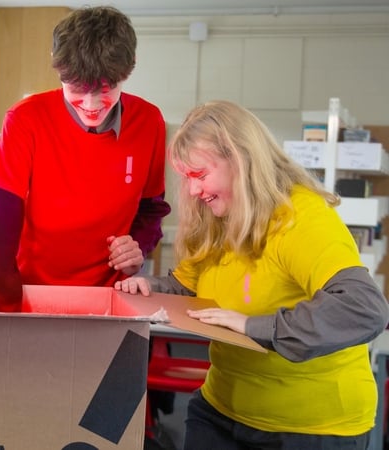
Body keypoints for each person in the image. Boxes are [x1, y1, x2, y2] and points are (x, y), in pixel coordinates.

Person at [116, 100, 389, 450]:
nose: (194, 191)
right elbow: (189, 287)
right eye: (187, 178)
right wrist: (150, 287)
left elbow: (364, 309)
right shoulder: (217, 218)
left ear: (241, 160)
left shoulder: (300, 218)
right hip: (222, 408)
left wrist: (253, 326)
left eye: (200, 175)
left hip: (310, 427)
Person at [0, 6, 171, 313]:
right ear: (57, 65)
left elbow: (151, 209)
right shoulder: (24, 120)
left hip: (110, 297)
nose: (91, 105)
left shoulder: (149, 122)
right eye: (77, 89)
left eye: (105, 90)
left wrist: (138, 247)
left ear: (130, 66)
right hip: (31, 293)